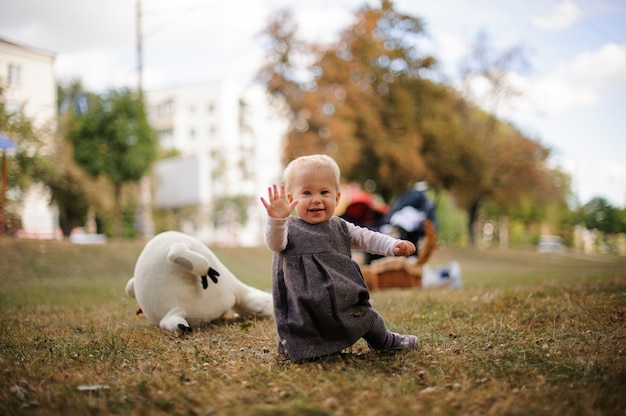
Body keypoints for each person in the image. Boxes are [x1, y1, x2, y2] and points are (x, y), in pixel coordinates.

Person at [260, 154, 418, 362]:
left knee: (367, 318)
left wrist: (392, 245)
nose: (316, 199)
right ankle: (311, 351)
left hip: (343, 299)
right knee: (306, 334)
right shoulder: (288, 229)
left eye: (324, 192)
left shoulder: (341, 227)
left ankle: (383, 340)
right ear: (291, 200)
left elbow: (367, 238)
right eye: (306, 192)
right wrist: (277, 220)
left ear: (336, 198)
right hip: (304, 306)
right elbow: (275, 244)